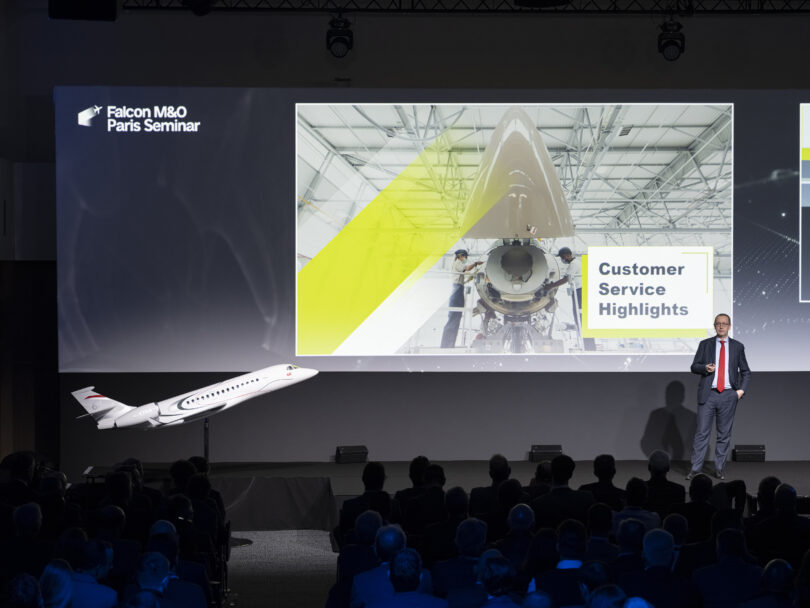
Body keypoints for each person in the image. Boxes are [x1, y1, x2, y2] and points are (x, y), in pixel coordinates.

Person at [687, 313, 751, 481]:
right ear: (714, 326)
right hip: (708, 394)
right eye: (718, 323)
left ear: (729, 326)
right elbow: (694, 366)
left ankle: (719, 469)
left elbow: (746, 371)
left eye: (724, 323)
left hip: (729, 395)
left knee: (724, 435)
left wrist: (740, 391)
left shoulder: (738, 346)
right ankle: (695, 469)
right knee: (702, 433)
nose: (721, 326)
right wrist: (704, 368)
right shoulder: (705, 344)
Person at [440, 249, 482, 348]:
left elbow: (461, 278)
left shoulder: (457, 264)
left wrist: (469, 279)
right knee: (454, 318)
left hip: (459, 288)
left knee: (456, 318)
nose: (465, 259)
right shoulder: (457, 262)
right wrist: (476, 263)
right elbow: (467, 268)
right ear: (460, 256)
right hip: (457, 290)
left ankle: (449, 345)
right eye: (465, 257)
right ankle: (446, 345)